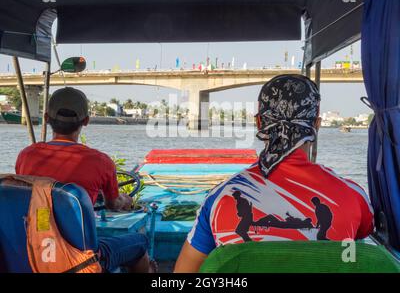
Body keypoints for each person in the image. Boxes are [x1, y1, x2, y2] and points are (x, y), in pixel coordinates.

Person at [174, 74, 374, 273]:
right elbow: (358, 248)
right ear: (316, 125)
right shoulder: (354, 197)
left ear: (260, 122)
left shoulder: (219, 200)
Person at [15, 87, 155, 273]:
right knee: (140, 242)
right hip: (81, 259)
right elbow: (113, 204)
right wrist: (126, 200)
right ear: (86, 121)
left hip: (33, 249)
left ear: (47, 118)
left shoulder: (26, 155)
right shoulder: (101, 161)